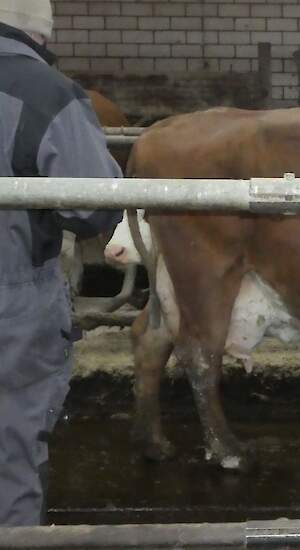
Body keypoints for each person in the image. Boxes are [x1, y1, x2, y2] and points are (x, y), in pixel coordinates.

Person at [1, 0, 123, 525]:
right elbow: (93, 207)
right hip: (11, 302)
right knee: (10, 451)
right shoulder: (47, 92)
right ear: (42, 39)